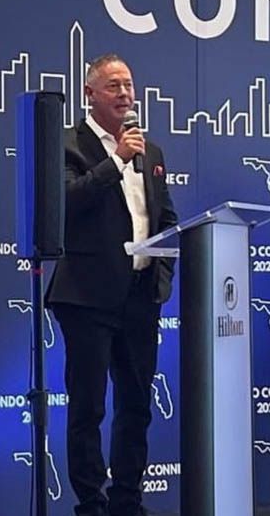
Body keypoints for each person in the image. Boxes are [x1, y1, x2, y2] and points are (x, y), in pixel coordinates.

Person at [46, 54, 178, 516]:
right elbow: (67, 203)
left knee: (136, 406)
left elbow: (165, 217)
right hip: (86, 296)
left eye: (129, 85)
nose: (125, 95)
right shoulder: (66, 143)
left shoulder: (152, 151)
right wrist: (116, 160)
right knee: (88, 409)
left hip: (141, 297)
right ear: (90, 94)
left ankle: (127, 501)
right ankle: (91, 505)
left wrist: (161, 277)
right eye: (114, 86)